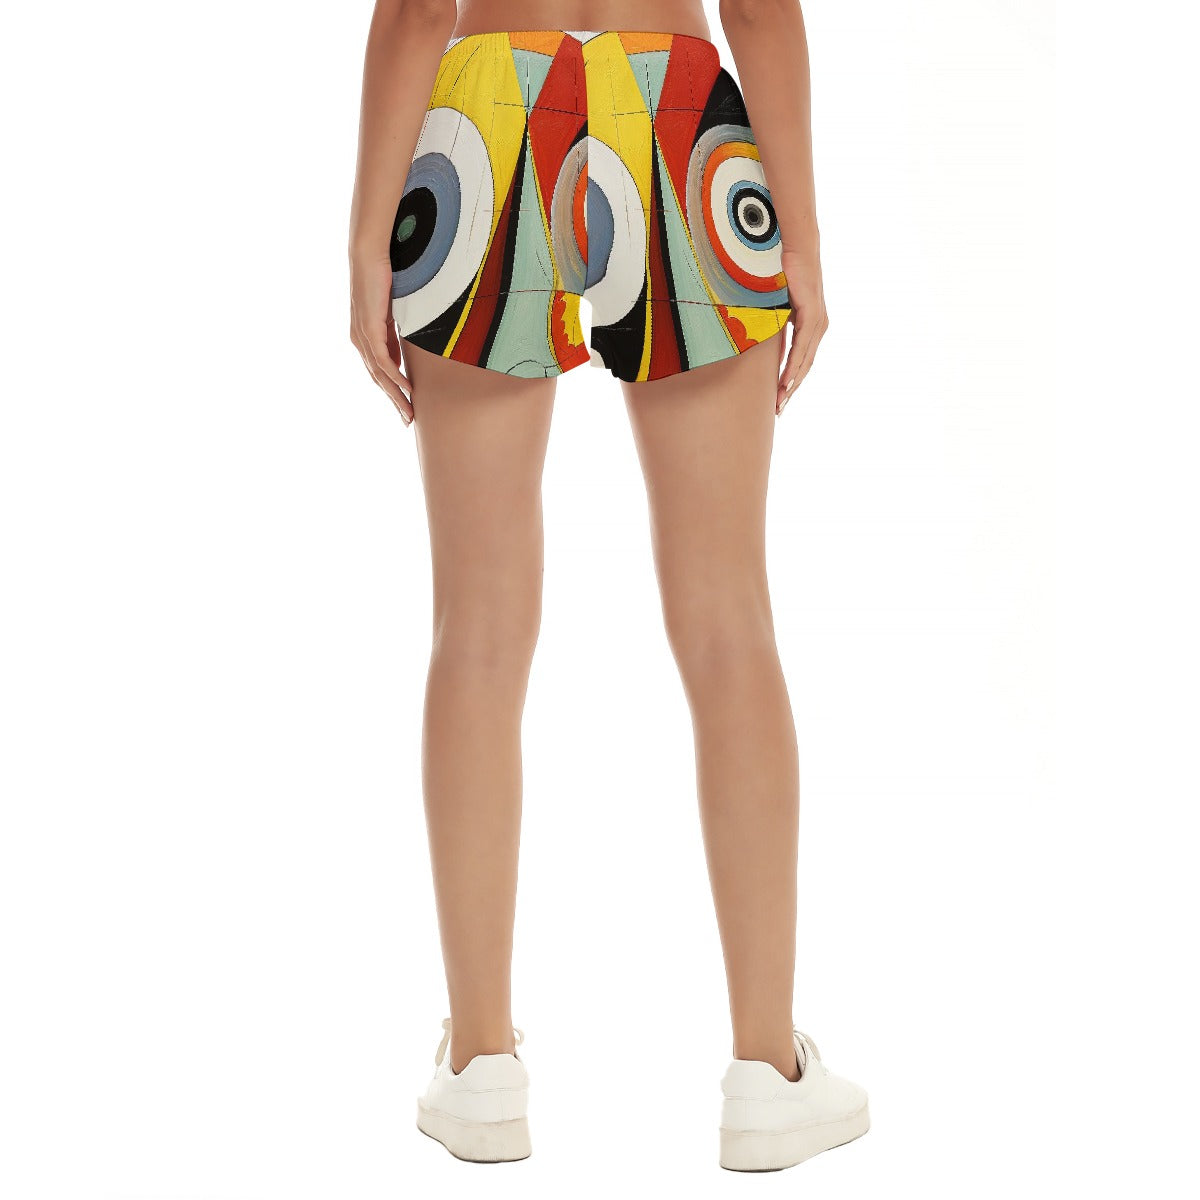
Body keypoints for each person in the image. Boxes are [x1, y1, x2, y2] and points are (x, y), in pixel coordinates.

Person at [348, 0, 868, 1172]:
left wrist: (367, 236)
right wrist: (802, 241)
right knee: (729, 619)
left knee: (476, 626)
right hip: (672, 112)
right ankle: (766, 1072)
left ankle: (481, 1067)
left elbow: (420, 8)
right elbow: (760, 9)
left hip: (489, 111)